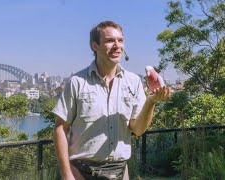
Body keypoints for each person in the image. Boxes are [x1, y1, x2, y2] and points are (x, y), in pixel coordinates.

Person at [53, 20, 171, 180]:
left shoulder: (134, 81)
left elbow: (138, 129)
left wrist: (151, 102)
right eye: (110, 41)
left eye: (120, 40)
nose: (117, 46)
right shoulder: (77, 82)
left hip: (120, 172)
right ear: (94, 46)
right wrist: (66, 174)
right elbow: (60, 128)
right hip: (80, 173)